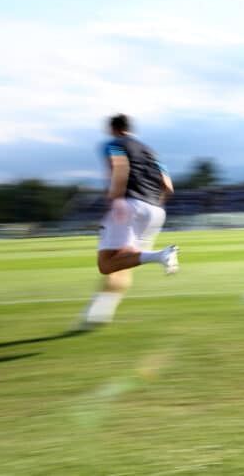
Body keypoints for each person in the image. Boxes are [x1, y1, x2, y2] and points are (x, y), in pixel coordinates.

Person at [77, 114, 178, 328]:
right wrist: (153, 206)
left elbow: (119, 167)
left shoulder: (114, 144)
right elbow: (168, 186)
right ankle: (97, 314)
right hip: (156, 210)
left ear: (114, 128)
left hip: (128, 205)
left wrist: (117, 199)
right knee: (125, 262)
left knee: (106, 264)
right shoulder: (152, 152)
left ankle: (161, 255)